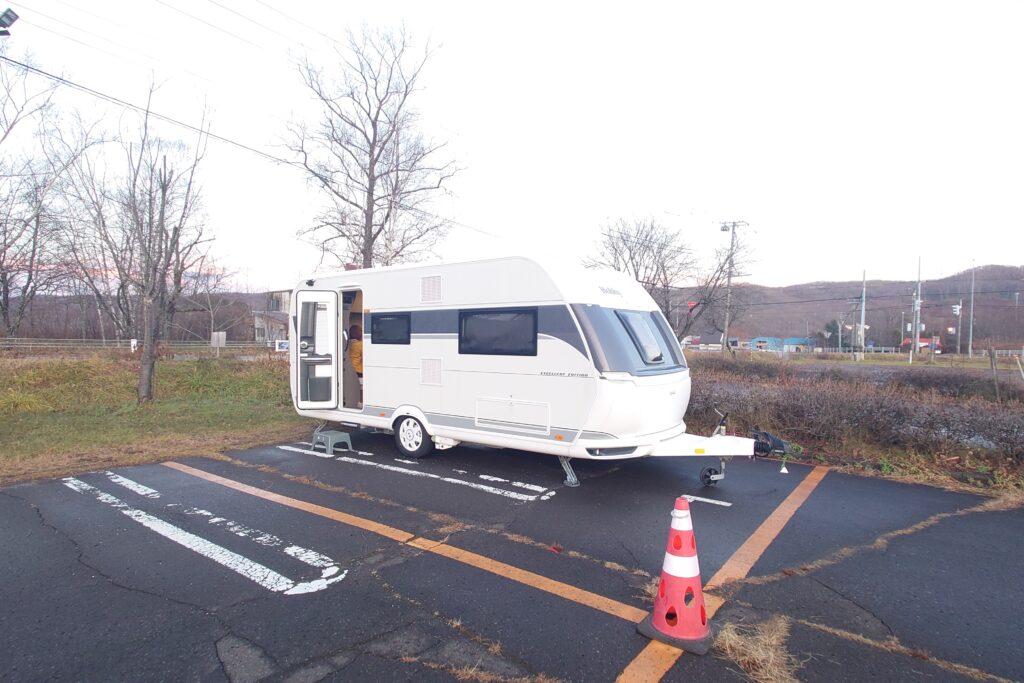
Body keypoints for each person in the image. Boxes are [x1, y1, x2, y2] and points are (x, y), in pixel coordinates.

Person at [348, 324, 363, 406]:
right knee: (362, 386)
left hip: (350, 367)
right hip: (359, 369)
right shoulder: (360, 344)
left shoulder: (348, 344)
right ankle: (360, 402)